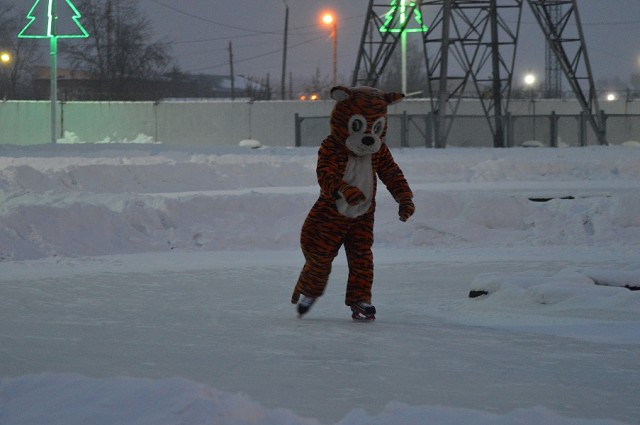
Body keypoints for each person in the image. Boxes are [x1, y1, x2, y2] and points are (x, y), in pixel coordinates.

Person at [290, 85, 415, 321]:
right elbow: (325, 176)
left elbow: (392, 173)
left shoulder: (377, 151)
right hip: (330, 215)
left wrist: (404, 197)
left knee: (362, 258)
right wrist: (344, 190)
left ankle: (360, 299)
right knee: (320, 257)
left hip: (363, 215)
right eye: (358, 126)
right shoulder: (332, 147)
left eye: (375, 128)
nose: (368, 136)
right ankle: (309, 292)